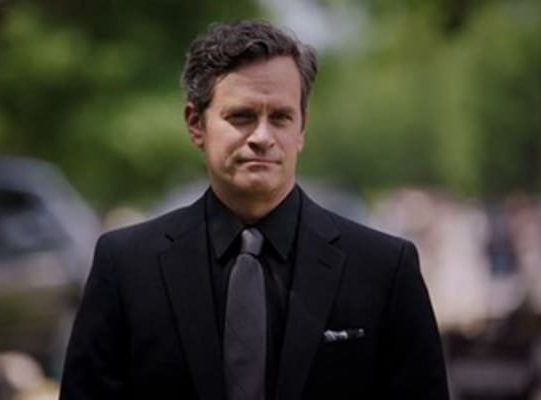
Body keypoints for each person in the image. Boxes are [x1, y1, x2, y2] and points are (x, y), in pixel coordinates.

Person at [60, 20, 449, 400]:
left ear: (302, 128)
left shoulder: (383, 270)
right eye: (242, 116)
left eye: (280, 117)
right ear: (196, 124)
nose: (262, 137)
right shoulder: (127, 267)